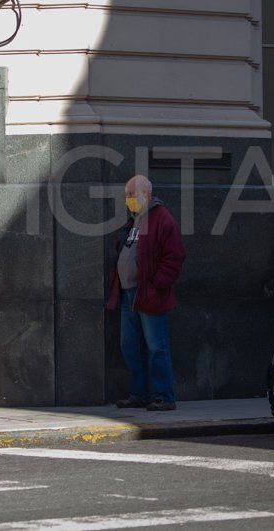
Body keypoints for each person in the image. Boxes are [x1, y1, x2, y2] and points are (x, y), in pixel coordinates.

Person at [105, 175, 186, 411]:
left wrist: (156, 285)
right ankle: (138, 393)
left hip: (149, 295)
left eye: (131, 194)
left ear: (145, 194)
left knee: (156, 347)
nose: (128, 199)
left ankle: (164, 396)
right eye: (126, 195)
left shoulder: (162, 219)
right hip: (129, 294)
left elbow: (175, 257)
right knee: (130, 346)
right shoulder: (135, 221)